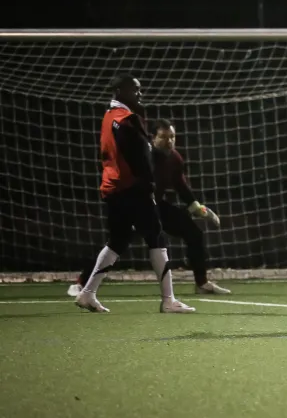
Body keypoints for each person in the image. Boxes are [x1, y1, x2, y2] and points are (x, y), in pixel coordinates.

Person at [74, 74, 194, 314]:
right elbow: (139, 158)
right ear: (119, 91)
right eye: (135, 90)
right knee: (157, 238)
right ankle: (168, 300)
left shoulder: (110, 117)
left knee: (117, 241)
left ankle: (87, 293)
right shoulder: (127, 120)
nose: (140, 94)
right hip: (131, 189)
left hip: (112, 188)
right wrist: (148, 185)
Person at [69, 119, 229, 296]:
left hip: (157, 206)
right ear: (152, 138)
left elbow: (181, 186)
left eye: (172, 137)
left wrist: (198, 208)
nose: (169, 142)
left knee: (194, 233)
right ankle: (81, 283)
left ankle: (202, 284)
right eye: (163, 137)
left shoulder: (175, 158)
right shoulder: (143, 155)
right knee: (115, 244)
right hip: (136, 206)